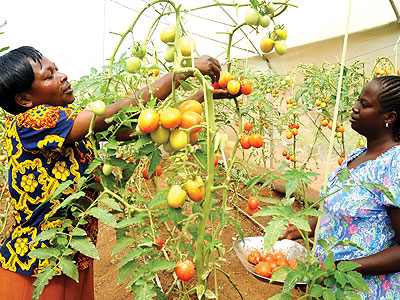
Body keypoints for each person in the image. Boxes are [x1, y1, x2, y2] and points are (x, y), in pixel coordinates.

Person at [0, 46, 228, 300]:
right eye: (49, 75)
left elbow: (135, 128)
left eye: (57, 69)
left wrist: (200, 97)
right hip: (35, 265)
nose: (62, 76)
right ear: (24, 100)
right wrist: (181, 73)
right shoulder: (29, 123)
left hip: (71, 253)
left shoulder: (68, 124)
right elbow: (114, 113)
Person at [283, 75, 400, 299]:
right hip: (330, 286)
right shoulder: (357, 156)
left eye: (364, 105)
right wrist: (306, 227)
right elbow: (342, 210)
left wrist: (340, 267)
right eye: (358, 101)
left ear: (389, 117)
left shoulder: (395, 164)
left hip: (364, 291)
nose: (354, 109)